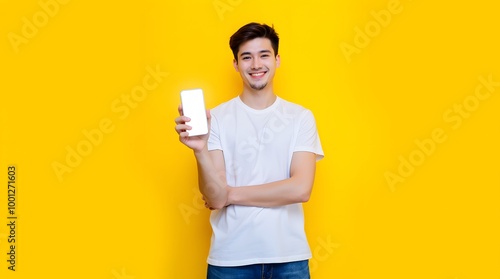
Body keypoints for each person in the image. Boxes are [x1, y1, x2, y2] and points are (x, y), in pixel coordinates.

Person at [174, 22, 324, 279]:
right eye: (246, 57)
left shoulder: (300, 117)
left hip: (289, 259)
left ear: (277, 60)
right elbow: (215, 196)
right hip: (231, 260)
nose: (256, 64)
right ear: (236, 64)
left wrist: (231, 194)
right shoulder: (217, 119)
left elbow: (300, 189)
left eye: (264, 55)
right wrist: (199, 150)